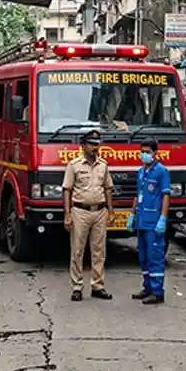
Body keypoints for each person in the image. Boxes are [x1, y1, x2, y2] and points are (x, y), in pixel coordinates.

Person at [62, 129, 114, 302]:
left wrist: (111, 211)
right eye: (91, 144)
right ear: (83, 146)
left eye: (97, 144)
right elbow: (67, 190)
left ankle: (98, 285)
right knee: (77, 251)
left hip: (99, 211)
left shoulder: (103, 165)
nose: (95, 147)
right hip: (80, 211)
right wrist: (67, 214)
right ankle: (77, 287)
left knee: (99, 251)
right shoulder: (74, 165)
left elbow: (107, 189)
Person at [128, 137, 171, 305]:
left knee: (155, 256)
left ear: (155, 153)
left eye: (147, 152)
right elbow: (137, 195)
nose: (144, 155)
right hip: (142, 221)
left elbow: (165, 195)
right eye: (142, 152)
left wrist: (163, 218)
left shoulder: (161, 172)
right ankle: (147, 287)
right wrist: (132, 215)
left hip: (154, 222)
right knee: (143, 256)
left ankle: (158, 291)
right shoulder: (140, 172)